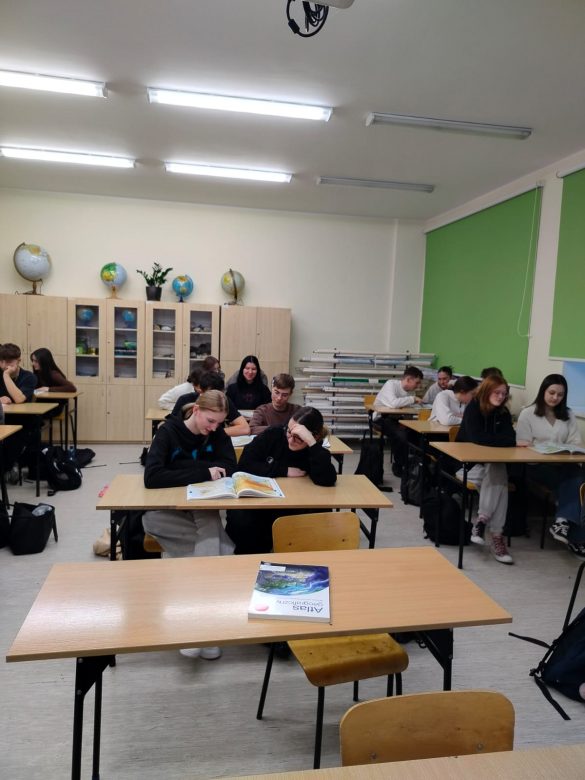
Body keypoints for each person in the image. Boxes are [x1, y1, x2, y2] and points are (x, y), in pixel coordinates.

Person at [143, 390, 237, 660]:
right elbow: (152, 477)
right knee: (215, 545)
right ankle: (206, 630)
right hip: (165, 511)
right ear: (195, 410)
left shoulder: (217, 433)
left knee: (209, 522)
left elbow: (230, 467)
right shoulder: (168, 432)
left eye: (219, 423)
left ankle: (195, 630)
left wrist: (180, 470)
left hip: (201, 506)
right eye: (210, 421)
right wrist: (202, 471)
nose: (214, 428)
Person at [225, 406, 337, 554]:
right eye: (289, 431)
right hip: (264, 503)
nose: (290, 439)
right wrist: (283, 470)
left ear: (314, 437)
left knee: (314, 518)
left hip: (295, 505)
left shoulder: (315, 449)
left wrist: (312, 444)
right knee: (242, 521)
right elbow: (245, 464)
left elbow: (327, 480)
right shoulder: (274, 434)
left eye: (298, 436)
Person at [516, 374, 585, 558]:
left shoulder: (568, 414)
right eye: (552, 393)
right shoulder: (528, 413)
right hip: (536, 466)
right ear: (543, 391)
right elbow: (522, 445)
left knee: (579, 478)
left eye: (560, 395)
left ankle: (562, 522)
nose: (555, 398)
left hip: (563, 465)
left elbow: (575, 442)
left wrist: (570, 451)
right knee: (577, 482)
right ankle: (575, 538)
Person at [456, 374, 516, 564]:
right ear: (486, 391)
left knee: (496, 470)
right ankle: (497, 537)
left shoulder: (503, 413)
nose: (500, 396)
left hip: (490, 465)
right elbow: (478, 438)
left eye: (504, 393)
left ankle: (482, 521)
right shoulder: (473, 408)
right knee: (500, 482)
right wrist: (500, 441)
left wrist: (499, 442)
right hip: (467, 465)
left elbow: (511, 439)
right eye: (497, 392)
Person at [373, 366, 424, 477]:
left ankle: (418, 465)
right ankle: (399, 465)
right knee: (401, 435)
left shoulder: (409, 392)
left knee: (419, 434)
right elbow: (393, 403)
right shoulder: (391, 384)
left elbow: (406, 411)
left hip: (397, 419)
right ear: (408, 379)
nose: (418, 386)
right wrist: (412, 399)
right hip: (381, 418)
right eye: (417, 383)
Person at [171, 371, 250, 436]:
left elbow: (245, 428)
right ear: (200, 391)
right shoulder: (185, 400)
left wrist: (213, 434)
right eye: (211, 395)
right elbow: (171, 428)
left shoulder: (222, 401)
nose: (216, 399)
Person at [0, 343, 37, 475]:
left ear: (19, 361)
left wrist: (6, 376)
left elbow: (19, 399)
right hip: (2, 420)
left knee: (13, 441)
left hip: (22, 422)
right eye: (2, 361)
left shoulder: (29, 377)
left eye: (10, 362)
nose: (5, 366)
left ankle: (9, 466)